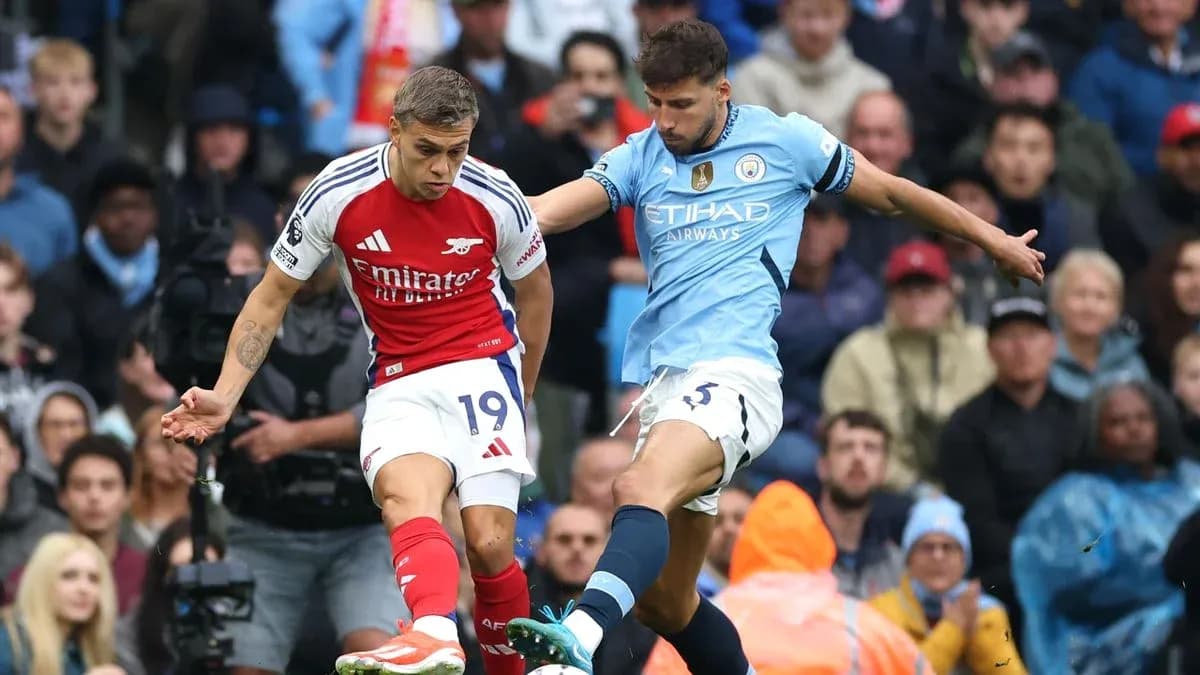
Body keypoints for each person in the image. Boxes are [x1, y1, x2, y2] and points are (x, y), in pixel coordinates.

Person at [502, 18, 1044, 674]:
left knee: (636, 485)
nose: (667, 120)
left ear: (722, 91)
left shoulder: (785, 140)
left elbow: (895, 194)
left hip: (737, 376)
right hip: (668, 385)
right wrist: (475, 210)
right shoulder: (642, 154)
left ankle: (577, 640)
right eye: (656, 103)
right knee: (666, 604)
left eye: (682, 104)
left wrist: (995, 240)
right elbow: (548, 209)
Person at [160, 66, 553, 675]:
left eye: (457, 151)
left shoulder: (496, 195)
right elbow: (269, 297)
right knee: (404, 499)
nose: (442, 170)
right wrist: (224, 395)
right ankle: (432, 631)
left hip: (482, 364)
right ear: (393, 130)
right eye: (427, 150)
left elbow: (536, 294)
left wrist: (521, 391)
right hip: (398, 373)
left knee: (490, 542)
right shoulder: (336, 191)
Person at [869, 496, 1027, 674]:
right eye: (927, 547)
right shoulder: (880, 613)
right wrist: (953, 629)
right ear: (909, 558)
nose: (938, 556)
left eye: (949, 547)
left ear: (963, 560)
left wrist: (979, 637)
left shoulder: (986, 611)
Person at [0, 532, 123, 675]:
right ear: (42, 582)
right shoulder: (9, 645)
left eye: (93, 579)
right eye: (69, 576)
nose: (84, 588)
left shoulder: (86, 649)